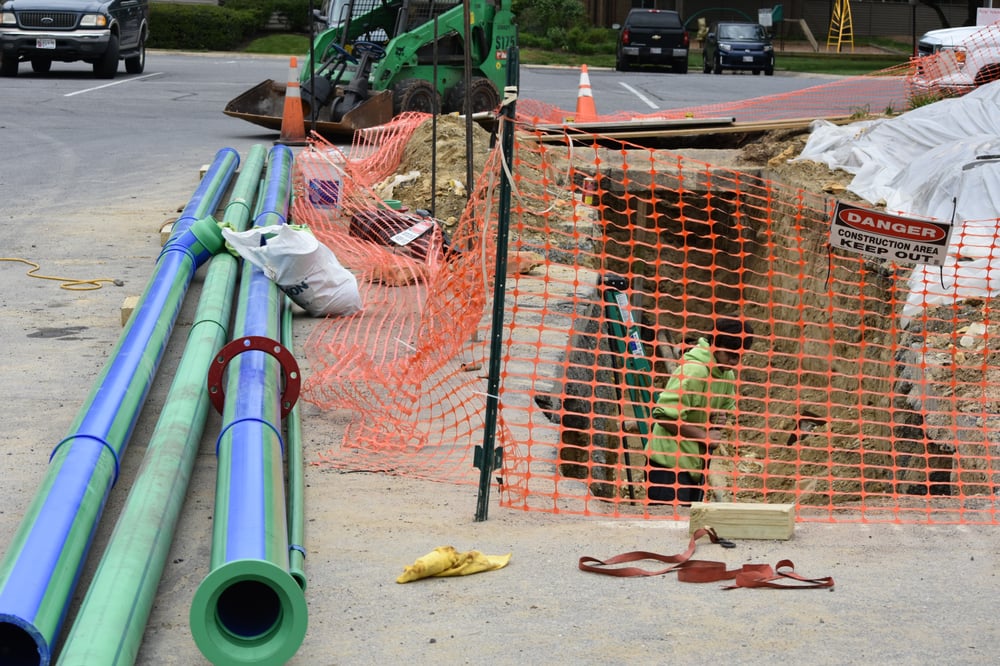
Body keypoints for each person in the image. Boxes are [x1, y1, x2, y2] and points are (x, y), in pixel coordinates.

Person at [646, 318, 754, 505]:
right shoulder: (694, 372)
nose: (734, 361)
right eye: (729, 354)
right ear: (714, 344)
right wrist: (704, 437)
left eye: (739, 356)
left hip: (694, 465)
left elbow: (727, 409)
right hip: (668, 466)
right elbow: (663, 415)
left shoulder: (726, 373)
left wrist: (721, 418)